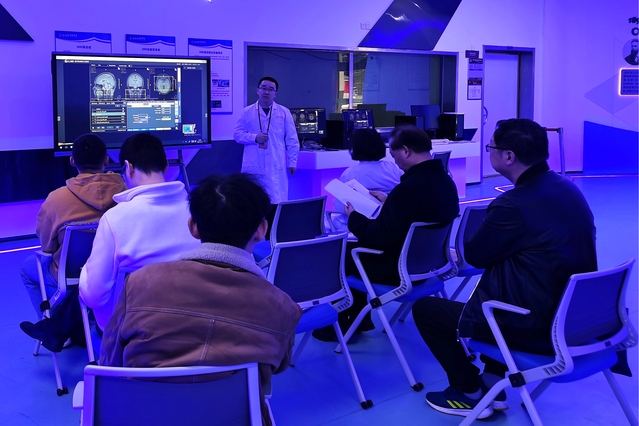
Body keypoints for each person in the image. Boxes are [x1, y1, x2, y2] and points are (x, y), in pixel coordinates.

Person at [411, 118, 597, 420]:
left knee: (427, 311)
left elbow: (475, 255)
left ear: (508, 156)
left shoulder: (513, 204)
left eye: (491, 147)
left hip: (537, 326)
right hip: (577, 317)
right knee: (503, 288)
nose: (489, 152)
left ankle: (468, 391)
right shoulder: (567, 187)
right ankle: (491, 382)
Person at [100, 173, 302, 426]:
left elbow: (110, 362)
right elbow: (277, 367)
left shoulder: (140, 282)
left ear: (193, 226)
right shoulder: (282, 307)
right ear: (262, 230)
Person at [314, 125, 459, 341]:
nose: (394, 159)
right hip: (427, 265)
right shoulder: (446, 183)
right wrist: (389, 201)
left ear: (406, 151)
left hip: (396, 269)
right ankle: (358, 318)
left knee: (339, 254)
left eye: (394, 153)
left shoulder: (408, 189)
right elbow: (412, 216)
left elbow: (379, 236)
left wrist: (354, 217)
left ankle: (343, 322)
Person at [78, 132, 200, 331]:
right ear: (166, 167)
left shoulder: (115, 218)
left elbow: (94, 295)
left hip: (132, 331)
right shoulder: (198, 211)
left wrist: (85, 272)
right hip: (194, 324)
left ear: (128, 167)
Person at [19, 134, 126, 350]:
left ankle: (54, 327)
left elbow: (47, 247)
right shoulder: (125, 193)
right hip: (114, 272)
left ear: (72, 160)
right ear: (106, 160)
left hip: (70, 274)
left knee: (27, 269)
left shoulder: (56, 199)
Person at [233, 76, 299, 234]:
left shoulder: (283, 112)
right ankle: (253, 236)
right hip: (254, 164)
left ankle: (272, 236)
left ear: (276, 93)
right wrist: (254, 137)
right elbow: (237, 134)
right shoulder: (247, 112)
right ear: (257, 90)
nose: (266, 92)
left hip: (276, 164)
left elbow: (292, 138)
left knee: (275, 200)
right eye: (263, 88)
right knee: (252, 201)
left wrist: (293, 161)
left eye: (271, 89)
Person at [330, 128, 402, 232]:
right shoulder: (393, 167)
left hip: (361, 223)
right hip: (390, 220)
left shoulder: (350, 173)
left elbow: (342, 206)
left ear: (355, 148)